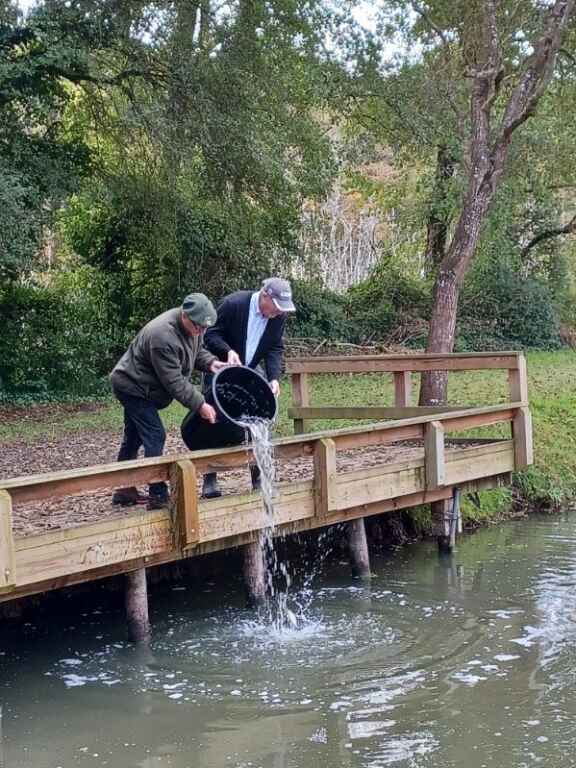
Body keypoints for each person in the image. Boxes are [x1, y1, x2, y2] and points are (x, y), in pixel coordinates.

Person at [110, 293, 227, 509]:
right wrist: (201, 405)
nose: (201, 332)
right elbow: (174, 381)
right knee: (155, 434)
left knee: (134, 436)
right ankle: (158, 495)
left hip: (146, 386)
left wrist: (211, 363)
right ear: (184, 315)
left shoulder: (195, 325)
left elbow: (194, 350)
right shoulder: (162, 336)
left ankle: (124, 489)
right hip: (132, 386)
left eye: (204, 328)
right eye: (198, 327)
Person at [199, 277, 296, 498]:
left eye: (282, 310)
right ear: (265, 296)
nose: (279, 313)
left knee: (260, 417)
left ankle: (259, 475)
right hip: (220, 369)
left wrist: (273, 377)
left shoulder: (278, 317)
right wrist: (227, 350)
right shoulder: (233, 304)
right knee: (213, 421)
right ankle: (210, 479)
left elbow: (274, 348)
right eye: (277, 307)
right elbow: (210, 334)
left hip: (249, 371)